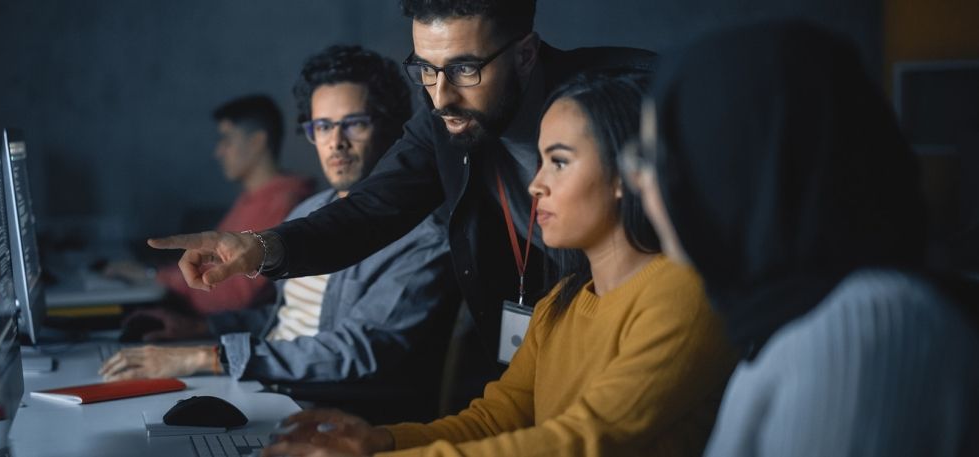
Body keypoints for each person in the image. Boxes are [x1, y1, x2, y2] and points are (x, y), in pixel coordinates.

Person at [145, 1, 656, 374]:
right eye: (425, 70)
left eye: (464, 69)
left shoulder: (627, 97)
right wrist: (258, 246)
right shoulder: (445, 121)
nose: (440, 96)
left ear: (525, 54)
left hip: (643, 330)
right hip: (538, 347)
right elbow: (369, 211)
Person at [263, 73, 736, 457]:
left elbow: (584, 439)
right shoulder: (561, 302)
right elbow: (497, 418)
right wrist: (377, 441)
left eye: (560, 161)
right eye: (540, 162)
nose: (535, 186)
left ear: (626, 174)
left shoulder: (682, 293)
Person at [619, 21, 979, 456]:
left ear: (733, 165)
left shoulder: (858, 332)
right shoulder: (795, 315)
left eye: (653, 155)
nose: (641, 183)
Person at [100, 45, 460, 422]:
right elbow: (284, 323)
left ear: (389, 128)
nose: (336, 142)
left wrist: (208, 357)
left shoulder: (423, 237)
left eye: (354, 123)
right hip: (263, 387)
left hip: (323, 413)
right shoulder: (308, 213)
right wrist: (199, 328)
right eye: (322, 126)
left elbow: (358, 351)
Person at [110, 95, 314, 339]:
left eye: (226, 139)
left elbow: (230, 298)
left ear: (257, 142)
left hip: (225, 332)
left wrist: (153, 276)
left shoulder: (281, 203)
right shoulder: (252, 197)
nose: (218, 151)